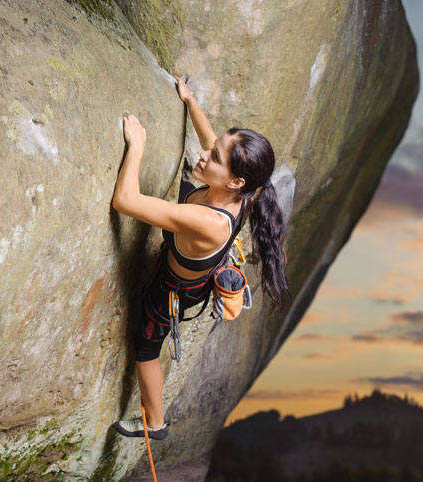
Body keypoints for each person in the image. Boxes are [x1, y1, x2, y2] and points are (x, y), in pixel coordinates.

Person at [111, 77, 289, 440]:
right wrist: (190, 101)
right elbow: (210, 139)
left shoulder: (208, 220)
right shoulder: (244, 192)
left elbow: (125, 202)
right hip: (184, 267)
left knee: (146, 348)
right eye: (215, 148)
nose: (205, 154)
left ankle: (155, 424)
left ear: (235, 182)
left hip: (171, 291)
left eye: (215, 157)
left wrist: (138, 146)